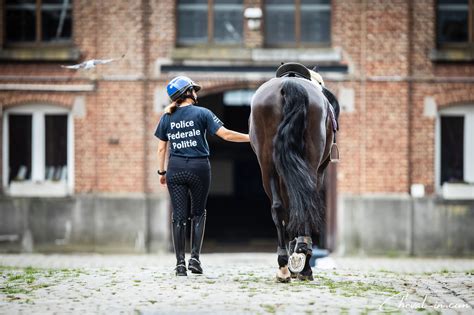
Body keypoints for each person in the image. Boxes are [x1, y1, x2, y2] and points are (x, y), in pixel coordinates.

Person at [154, 76, 250, 276]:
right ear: (188, 92)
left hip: (175, 169)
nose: (196, 93)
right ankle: (195, 260)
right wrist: (252, 137)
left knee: (178, 216)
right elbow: (226, 135)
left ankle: (180, 264)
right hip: (199, 168)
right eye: (193, 90)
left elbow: (161, 149)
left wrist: (162, 172)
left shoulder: (166, 117)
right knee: (198, 213)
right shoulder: (203, 113)